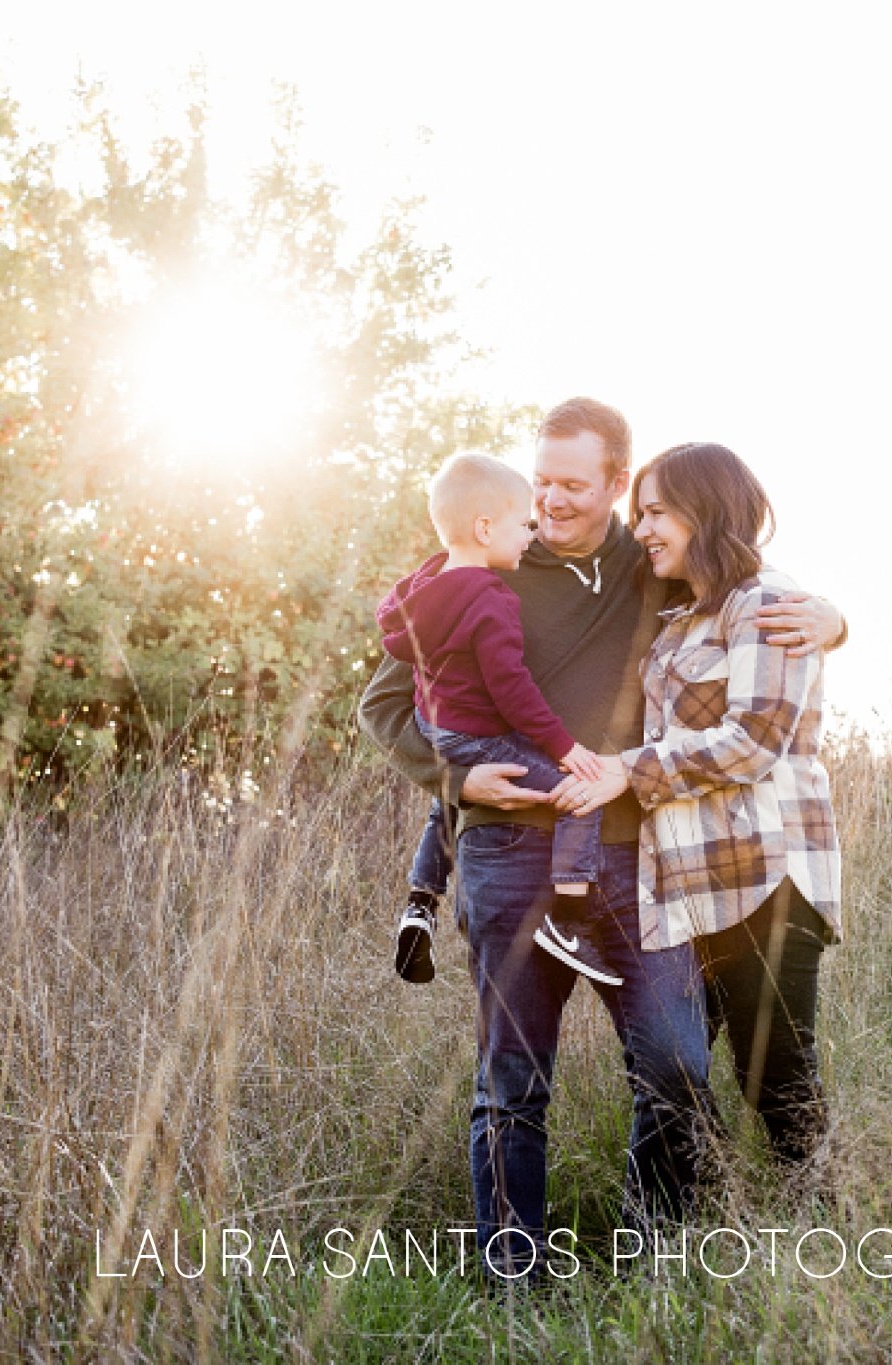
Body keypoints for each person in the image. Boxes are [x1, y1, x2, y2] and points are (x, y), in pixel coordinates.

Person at [358, 398, 846, 1280]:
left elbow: (742, 592)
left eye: (575, 485)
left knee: (677, 1064)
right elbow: (384, 705)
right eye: (540, 480)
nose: (551, 501)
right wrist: (454, 779)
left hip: (632, 858)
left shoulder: (645, 563)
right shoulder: (488, 560)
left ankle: (643, 1260)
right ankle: (518, 1278)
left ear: (617, 485)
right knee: (512, 1082)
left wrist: (832, 615)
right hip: (507, 854)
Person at [555, 441, 841, 1177]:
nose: (643, 527)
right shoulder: (683, 614)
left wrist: (629, 771)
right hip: (685, 887)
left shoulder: (766, 603)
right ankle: (664, 1248)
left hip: (763, 875)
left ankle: (823, 1233)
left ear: (705, 510)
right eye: (638, 512)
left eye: (657, 512)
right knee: (670, 1071)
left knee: (773, 1080)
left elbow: (754, 742)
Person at [378, 453, 616, 986]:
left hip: (435, 725)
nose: (530, 536)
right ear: (485, 528)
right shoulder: (492, 600)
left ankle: (421, 901)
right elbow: (511, 689)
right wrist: (562, 747)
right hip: (477, 733)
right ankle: (568, 919)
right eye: (522, 525)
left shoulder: (423, 589)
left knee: (449, 801)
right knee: (582, 793)